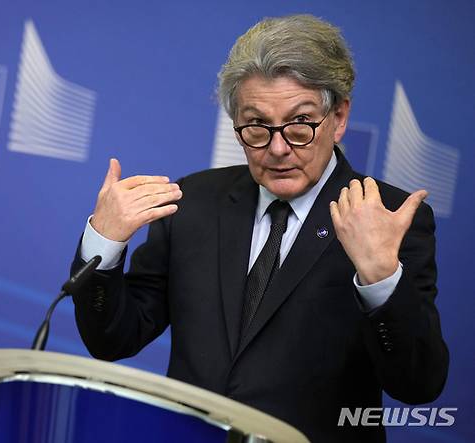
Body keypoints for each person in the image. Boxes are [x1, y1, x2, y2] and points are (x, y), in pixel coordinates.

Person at [70, 14, 448, 442]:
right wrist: (104, 241)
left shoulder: (389, 215)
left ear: (339, 117)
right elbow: (113, 339)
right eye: (256, 126)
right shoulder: (194, 202)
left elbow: (418, 384)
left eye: (300, 124)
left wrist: (381, 279)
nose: (279, 148)